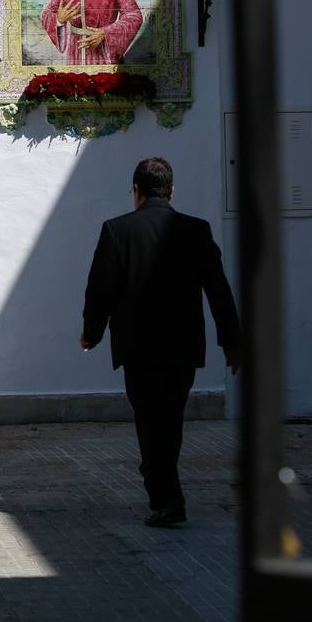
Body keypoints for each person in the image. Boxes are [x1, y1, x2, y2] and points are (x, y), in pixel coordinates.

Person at [80, 157, 242, 528]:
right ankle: (166, 493)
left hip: (138, 349)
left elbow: (100, 289)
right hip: (183, 348)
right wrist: (232, 342)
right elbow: (219, 290)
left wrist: (93, 332)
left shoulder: (116, 231)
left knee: (150, 420)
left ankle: (166, 498)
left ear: (136, 191)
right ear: (171, 191)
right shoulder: (196, 230)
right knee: (169, 419)